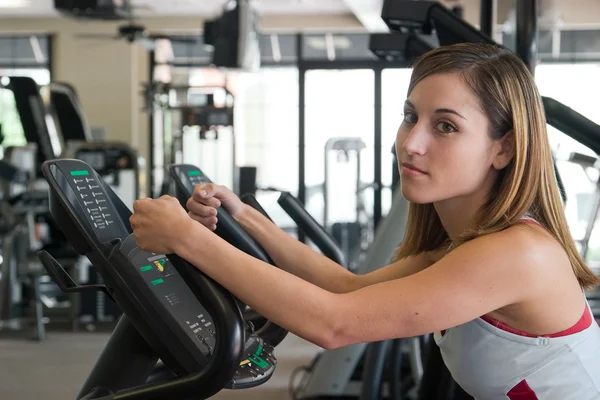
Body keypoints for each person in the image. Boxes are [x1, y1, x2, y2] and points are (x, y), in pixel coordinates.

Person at [130, 43, 600, 399]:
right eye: (410, 117)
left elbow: (334, 325)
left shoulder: (517, 254)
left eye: (446, 126)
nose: (410, 143)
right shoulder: (468, 245)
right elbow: (347, 289)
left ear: (505, 148)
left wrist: (187, 239)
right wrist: (247, 217)